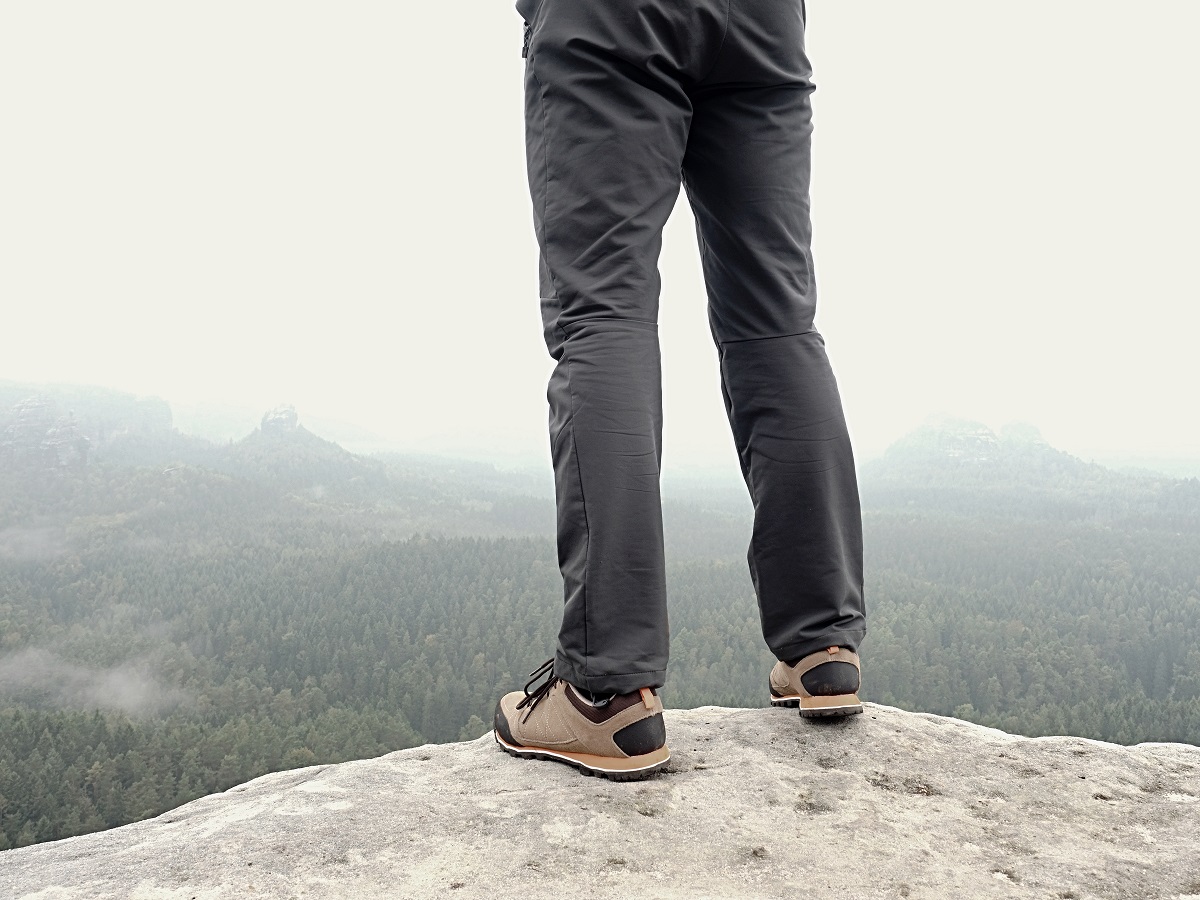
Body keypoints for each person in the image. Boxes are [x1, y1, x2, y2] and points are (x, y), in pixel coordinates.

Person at [493, 0, 866, 781]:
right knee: (777, 320)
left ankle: (605, 688)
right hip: (762, 21)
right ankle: (821, 647)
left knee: (602, 312)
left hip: (610, 20)